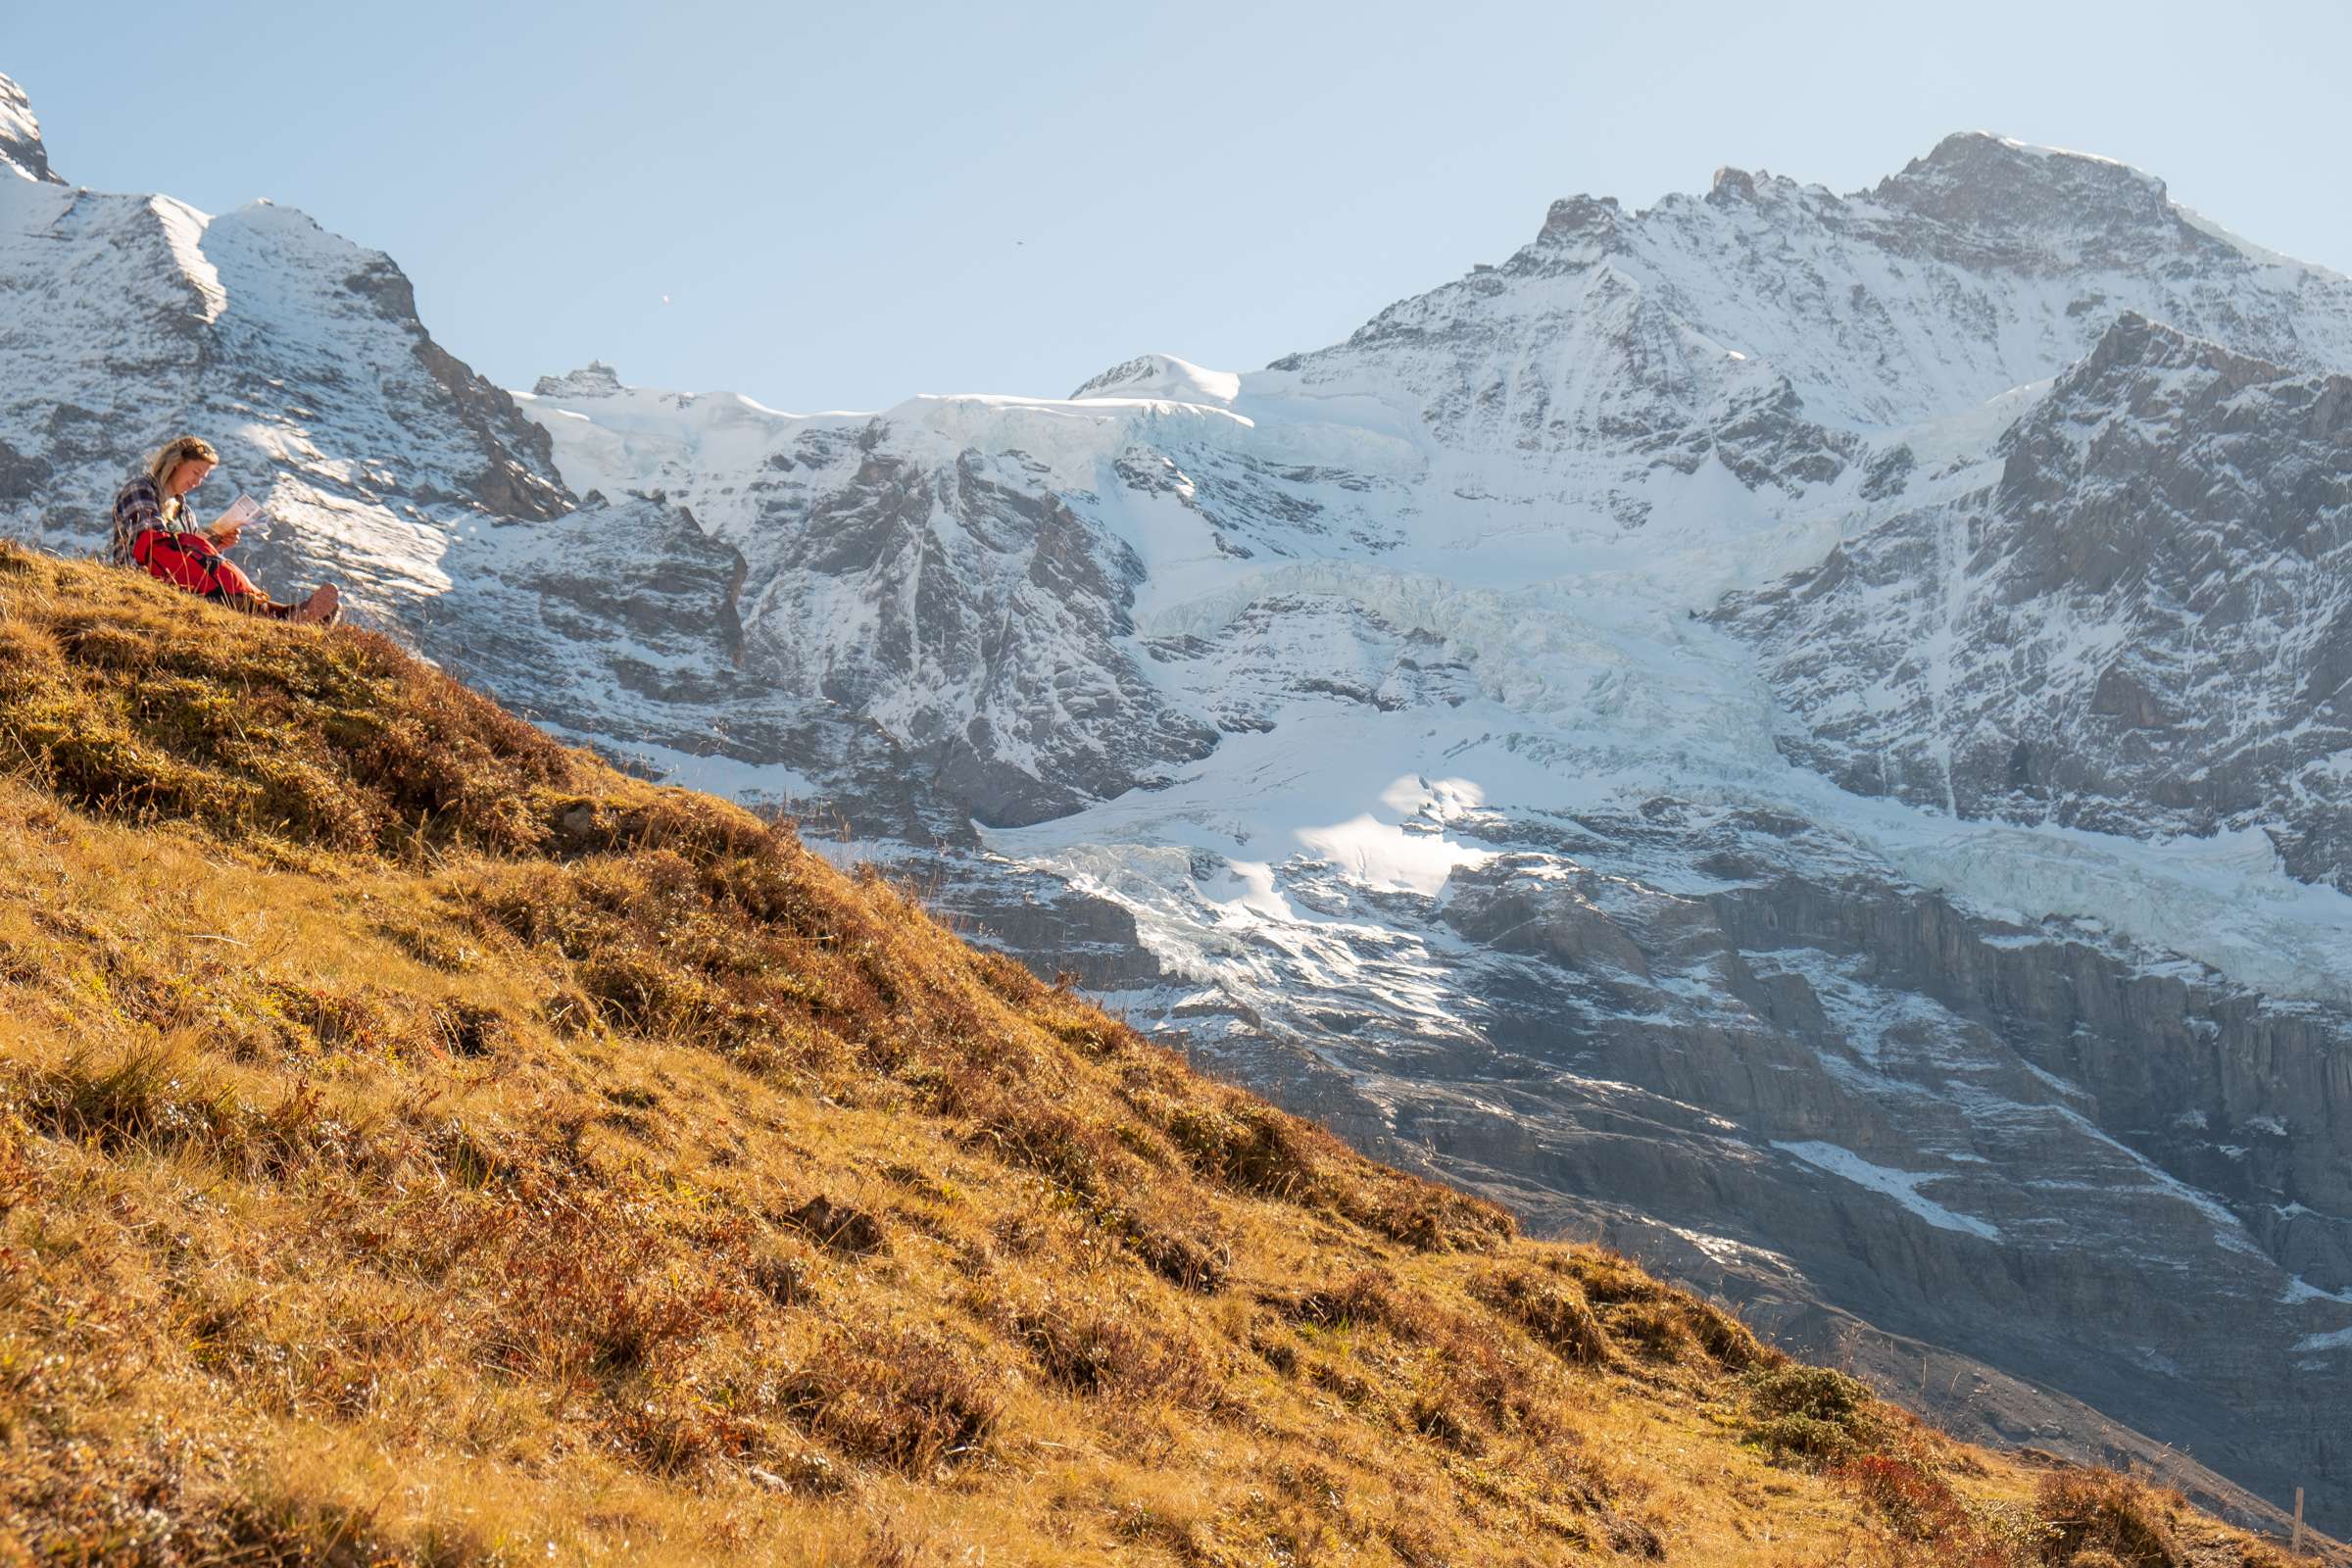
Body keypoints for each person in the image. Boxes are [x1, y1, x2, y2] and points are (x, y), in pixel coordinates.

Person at [110, 436, 340, 623]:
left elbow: (189, 559)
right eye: (196, 472)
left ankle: (286, 615)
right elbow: (153, 544)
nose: (198, 482)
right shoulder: (142, 489)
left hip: (175, 576)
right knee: (209, 565)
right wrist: (204, 542)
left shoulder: (185, 509)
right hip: (141, 570)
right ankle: (286, 615)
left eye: (204, 477)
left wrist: (217, 544)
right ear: (176, 464)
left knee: (216, 569)